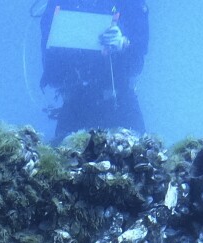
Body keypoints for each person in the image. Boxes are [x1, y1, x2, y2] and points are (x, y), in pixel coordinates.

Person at [37, 1, 150, 144]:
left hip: (118, 102)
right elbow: (51, 72)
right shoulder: (60, 2)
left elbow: (138, 58)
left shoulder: (130, 3)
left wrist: (124, 42)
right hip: (76, 105)